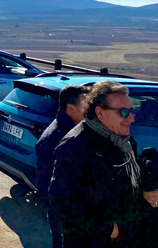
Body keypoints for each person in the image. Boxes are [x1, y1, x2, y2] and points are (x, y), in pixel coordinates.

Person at [49, 80, 142, 247]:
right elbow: (63, 202)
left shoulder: (122, 141)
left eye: (132, 110)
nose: (132, 118)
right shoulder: (75, 146)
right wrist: (109, 229)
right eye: (124, 112)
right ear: (100, 113)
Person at [35, 85, 88, 248]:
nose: (91, 109)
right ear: (71, 108)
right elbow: (47, 182)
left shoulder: (76, 128)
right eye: (86, 105)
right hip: (66, 213)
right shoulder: (57, 139)